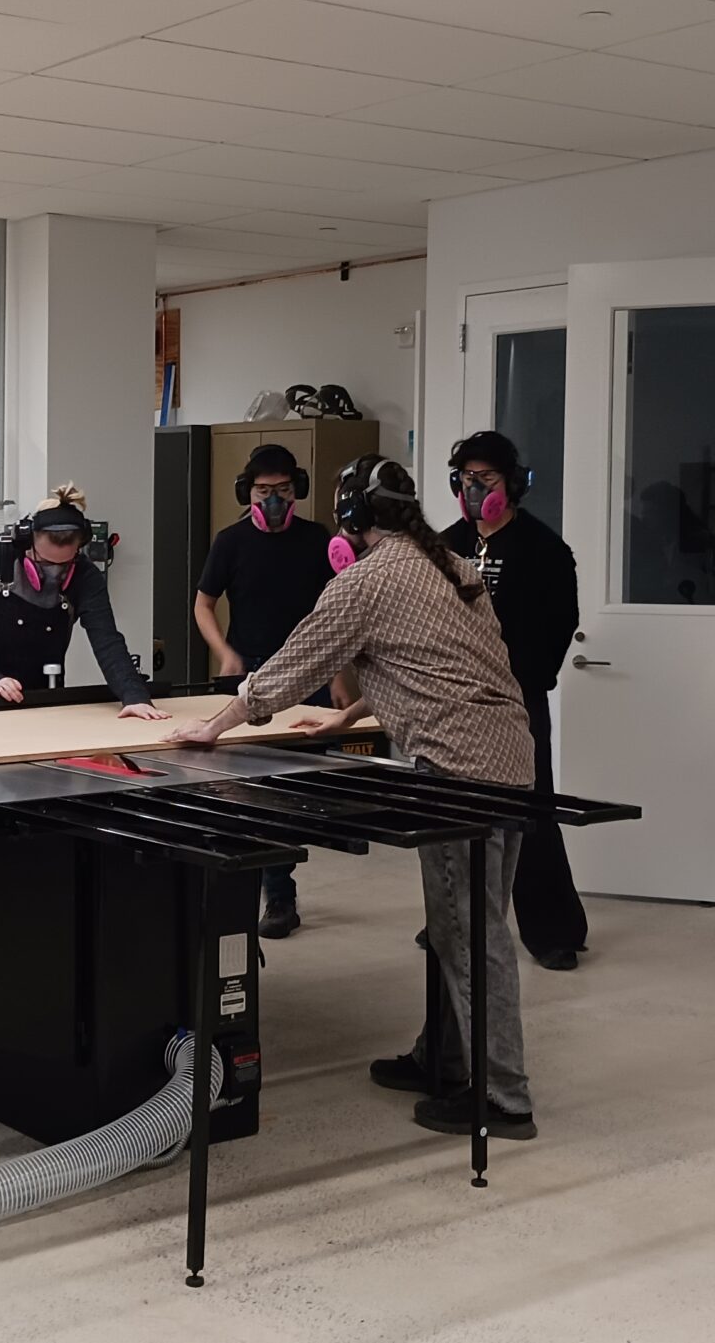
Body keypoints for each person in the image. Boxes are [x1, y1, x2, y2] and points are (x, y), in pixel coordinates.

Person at [165, 455, 540, 1141]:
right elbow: (434, 661)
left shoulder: (366, 581)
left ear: (350, 518)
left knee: (469, 934)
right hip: (510, 757)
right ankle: (442, 1058)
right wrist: (347, 715)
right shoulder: (454, 566)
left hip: (458, 768)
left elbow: (290, 665)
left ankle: (503, 1096)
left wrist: (215, 725)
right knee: (458, 925)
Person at [443, 430, 588, 972]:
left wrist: (529, 679)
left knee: (530, 810)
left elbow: (561, 622)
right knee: (455, 815)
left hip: (517, 698)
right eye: (467, 479)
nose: (475, 488)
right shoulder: (446, 545)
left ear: (512, 484)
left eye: (486, 478)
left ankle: (553, 931)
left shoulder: (543, 548)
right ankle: (454, 921)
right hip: (455, 699)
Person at [192, 443, 336, 939]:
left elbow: (336, 612)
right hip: (250, 675)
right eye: (263, 491)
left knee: (290, 791)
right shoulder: (230, 542)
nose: (273, 500)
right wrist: (225, 653)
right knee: (246, 791)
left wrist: (338, 674)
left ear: (298, 489)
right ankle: (249, 889)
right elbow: (203, 604)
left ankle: (279, 894)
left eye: (283, 490)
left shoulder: (317, 539)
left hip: (308, 675)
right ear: (246, 492)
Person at [0, 483, 170, 721]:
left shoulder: (85, 576)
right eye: (45, 563)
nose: (54, 573)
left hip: (41, 701)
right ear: (27, 541)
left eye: (65, 564)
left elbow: (107, 641)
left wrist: (134, 696)